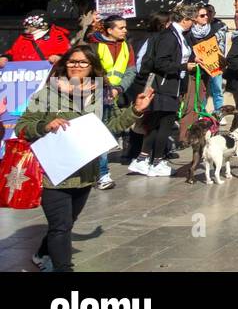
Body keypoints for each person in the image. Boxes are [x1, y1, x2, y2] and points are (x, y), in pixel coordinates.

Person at [16, 45, 155, 272]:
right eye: (72, 61)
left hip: (85, 172)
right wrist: (45, 125)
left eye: (82, 62)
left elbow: (111, 128)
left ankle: (42, 251)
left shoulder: (102, 94)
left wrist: (135, 111)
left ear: (92, 67)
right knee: (61, 226)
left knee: (66, 222)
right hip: (53, 172)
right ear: (64, 64)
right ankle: (63, 268)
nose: (76, 66)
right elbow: (23, 126)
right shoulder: (48, 94)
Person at [131, 4, 197, 178]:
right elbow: (160, 62)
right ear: (185, 20)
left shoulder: (179, 36)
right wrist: (184, 66)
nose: (194, 24)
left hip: (171, 85)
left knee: (158, 124)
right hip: (163, 86)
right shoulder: (169, 37)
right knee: (162, 124)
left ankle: (146, 160)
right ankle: (153, 161)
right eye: (192, 20)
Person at [90, 15, 134, 190]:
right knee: (100, 135)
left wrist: (119, 88)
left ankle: (97, 172)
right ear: (109, 30)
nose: (125, 30)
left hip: (114, 96)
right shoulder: (93, 45)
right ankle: (102, 173)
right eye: (121, 27)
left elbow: (131, 70)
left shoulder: (126, 46)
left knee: (107, 135)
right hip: (93, 95)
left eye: (125, 27)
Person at [0, 11, 71, 66]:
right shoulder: (23, 37)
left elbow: (66, 54)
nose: (26, 26)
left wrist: (58, 57)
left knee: (53, 84)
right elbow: (12, 52)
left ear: (43, 26)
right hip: (23, 76)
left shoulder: (58, 36)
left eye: (30, 24)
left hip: (48, 76)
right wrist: (5, 57)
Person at [194, 4, 229, 111]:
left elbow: (222, 44)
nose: (207, 16)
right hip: (200, 63)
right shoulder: (192, 30)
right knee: (202, 89)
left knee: (217, 88)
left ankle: (219, 112)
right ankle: (202, 112)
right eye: (203, 14)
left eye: (209, 13)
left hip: (215, 62)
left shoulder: (217, 26)